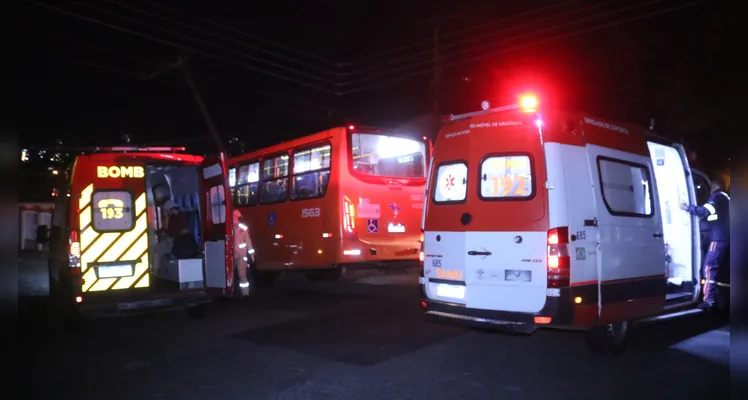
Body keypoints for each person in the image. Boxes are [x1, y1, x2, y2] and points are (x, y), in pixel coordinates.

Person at [680, 175, 730, 310]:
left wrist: (687, 208)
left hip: (718, 239)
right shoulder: (728, 199)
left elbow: (704, 211)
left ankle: (709, 301)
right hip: (727, 238)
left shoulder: (716, 198)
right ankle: (719, 299)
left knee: (709, 268)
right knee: (719, 269)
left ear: (714, 187)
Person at [232, 209, 255, 296]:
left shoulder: (243, 228)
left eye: (235, 216)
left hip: (241, 255)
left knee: (242, 275)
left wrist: (252, 254)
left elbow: (248, 241)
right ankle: (232, 293)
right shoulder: (228, 228)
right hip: (231, 255)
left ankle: (245, 294)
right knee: (231, 276)